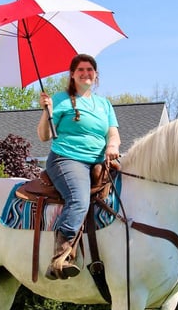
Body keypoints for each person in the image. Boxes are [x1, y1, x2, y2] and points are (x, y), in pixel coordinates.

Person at [37, 53, 121, 280]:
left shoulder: (104, 104)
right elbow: (44, 136)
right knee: (79, 199)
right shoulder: (60, 99)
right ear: (72, 75)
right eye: (80, 70)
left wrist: (112, 145)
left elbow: (113, 132)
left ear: (96, 75)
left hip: (99, 161)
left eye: (90, 70)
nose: (86, 73)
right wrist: (46, 112)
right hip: (67, 159)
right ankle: (61, 257)